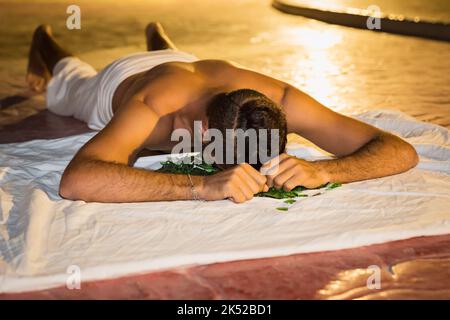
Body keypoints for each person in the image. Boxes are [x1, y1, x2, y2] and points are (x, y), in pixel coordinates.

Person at [26, 23, 418, 203]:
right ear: (200, 129)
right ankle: (44, 41)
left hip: (185, 63)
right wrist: (200, 187)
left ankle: (157, 37)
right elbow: (77, 181)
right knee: (69, 82)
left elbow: (399, 150)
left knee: (175, 57)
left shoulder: (279, 97)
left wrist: (326, 170)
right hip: (117, 83)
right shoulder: (154, 106)